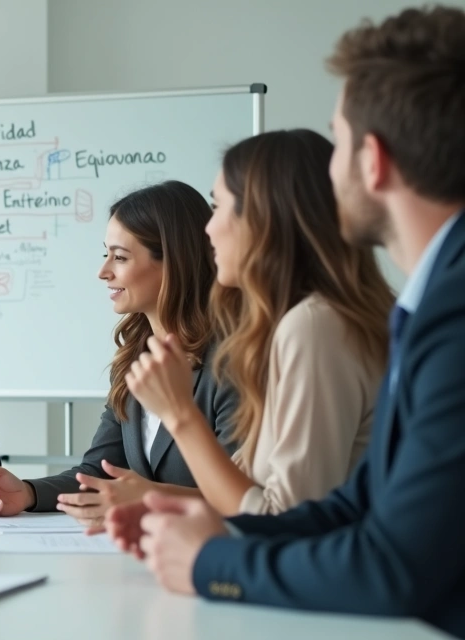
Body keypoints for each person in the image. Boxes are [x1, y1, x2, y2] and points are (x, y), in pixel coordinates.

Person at [106, 6, 465, 637]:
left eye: (339, 140)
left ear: (373, 162)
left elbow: (393, 563)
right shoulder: (428, 301)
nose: (330, 172)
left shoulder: (432, 313)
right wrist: (211, 534)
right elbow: (357, 504)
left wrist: (212, 560)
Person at [124, 129, 392, 516]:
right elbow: (241, 493)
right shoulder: (299, 325)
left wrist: (180, 414)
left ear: (266, 218)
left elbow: (284, 520)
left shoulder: (314, 328)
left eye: (219, 208)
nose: (207, 229)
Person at [0, 181, 237, 528]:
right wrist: (29, 493)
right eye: (105, 254)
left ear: (174, 261)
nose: (103, 271)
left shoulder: (231, 364)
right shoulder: (136, 360)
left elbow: (242, 497)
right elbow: (97, 472)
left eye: (120, 257)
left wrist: (148, 499)